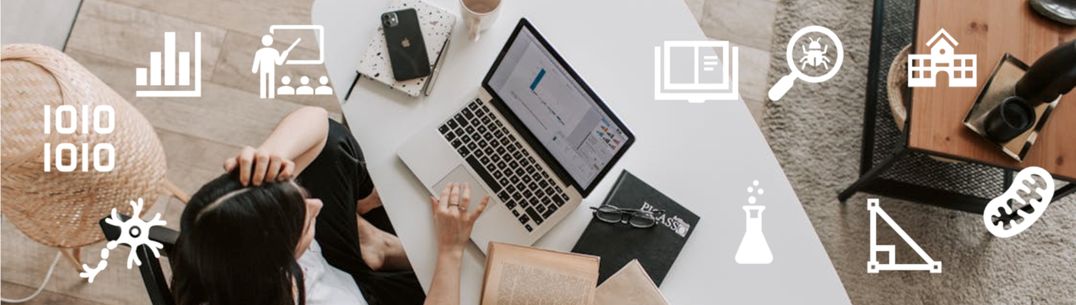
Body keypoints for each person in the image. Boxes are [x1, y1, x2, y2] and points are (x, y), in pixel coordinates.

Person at [171, 106, 488, 305]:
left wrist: (272, 154)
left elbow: (317, 122)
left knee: (332, 145)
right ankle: (379, 245)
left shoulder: (217, 242)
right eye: (306, 221)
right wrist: (450, 250)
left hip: (333, 270)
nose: (318, 205)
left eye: (300, 194)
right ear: (279, 264)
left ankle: (373, 245)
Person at [252, 34, 298, 99]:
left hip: (265, 69)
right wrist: (284, 55)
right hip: (269, 69)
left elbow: (256, 62)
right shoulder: (273, 52)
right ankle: (268, 95)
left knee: (265, 83)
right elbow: (279, 62)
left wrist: (255, 69)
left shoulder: (260, 52)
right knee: (269, 83)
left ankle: (265, 95)